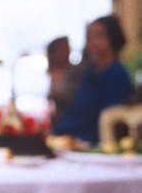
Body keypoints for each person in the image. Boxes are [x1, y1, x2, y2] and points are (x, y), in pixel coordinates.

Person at [51, 15, 134, 144]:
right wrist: (56, 133)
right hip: (71, 140)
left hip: (95, 144)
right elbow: (74, 111)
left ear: (113, 37)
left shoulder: (117, 75)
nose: (93, 42)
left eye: (99, 36)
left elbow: (105, 122)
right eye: (89, 37)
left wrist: (73, 138)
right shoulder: (90, 73)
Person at [46, 36, 82, 124]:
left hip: (72, 120)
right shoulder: (50, 72)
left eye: (68, 48)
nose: (67, 51)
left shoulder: (76, 72)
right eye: (63, 49)